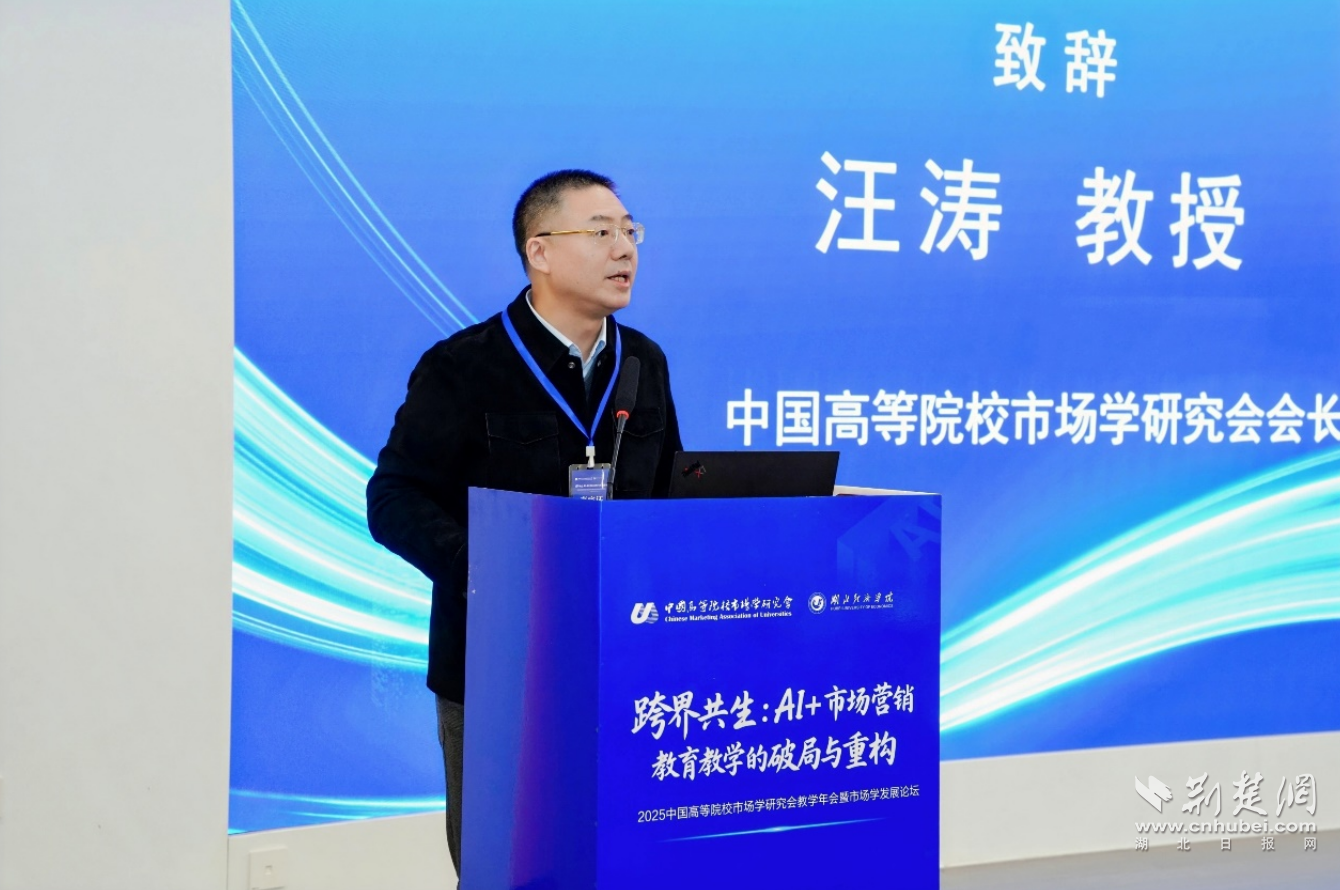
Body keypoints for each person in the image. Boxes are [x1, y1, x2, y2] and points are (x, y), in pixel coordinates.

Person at [366, 169, 683, 884]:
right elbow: (394, 497)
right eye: (600, 232)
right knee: (507, 866)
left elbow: (668, 488)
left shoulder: (644, 362)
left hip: (621, 662)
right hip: (499, 669)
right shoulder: (463, 367)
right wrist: (490, 571)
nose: (624, 248)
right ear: (540, 251)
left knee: (617, 862)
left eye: (629, 231)